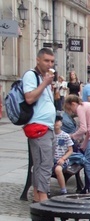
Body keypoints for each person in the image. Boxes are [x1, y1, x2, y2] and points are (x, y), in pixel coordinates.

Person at [22, 48, 57, 203]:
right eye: (46, 60)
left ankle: (37, 196)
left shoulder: (45, 78)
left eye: (52, 61)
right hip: (39, 126)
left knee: (40, 163)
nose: (49, 64)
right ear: (38, 60)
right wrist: (45, 83)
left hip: (46, 126)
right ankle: (43, 197)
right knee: (45, 164)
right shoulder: (32, 75)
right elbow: (29, 98)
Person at [51, 115, 74, 195]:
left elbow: (70, 150)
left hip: (62, 160)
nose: (56, 123)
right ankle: (45, 189)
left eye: (58, 121)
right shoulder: (50, 135)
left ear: (61, 123)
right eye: (54, 121)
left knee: (58, 170)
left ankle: (63, 189)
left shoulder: (65, 136)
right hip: (50, 160)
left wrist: (63, 158)